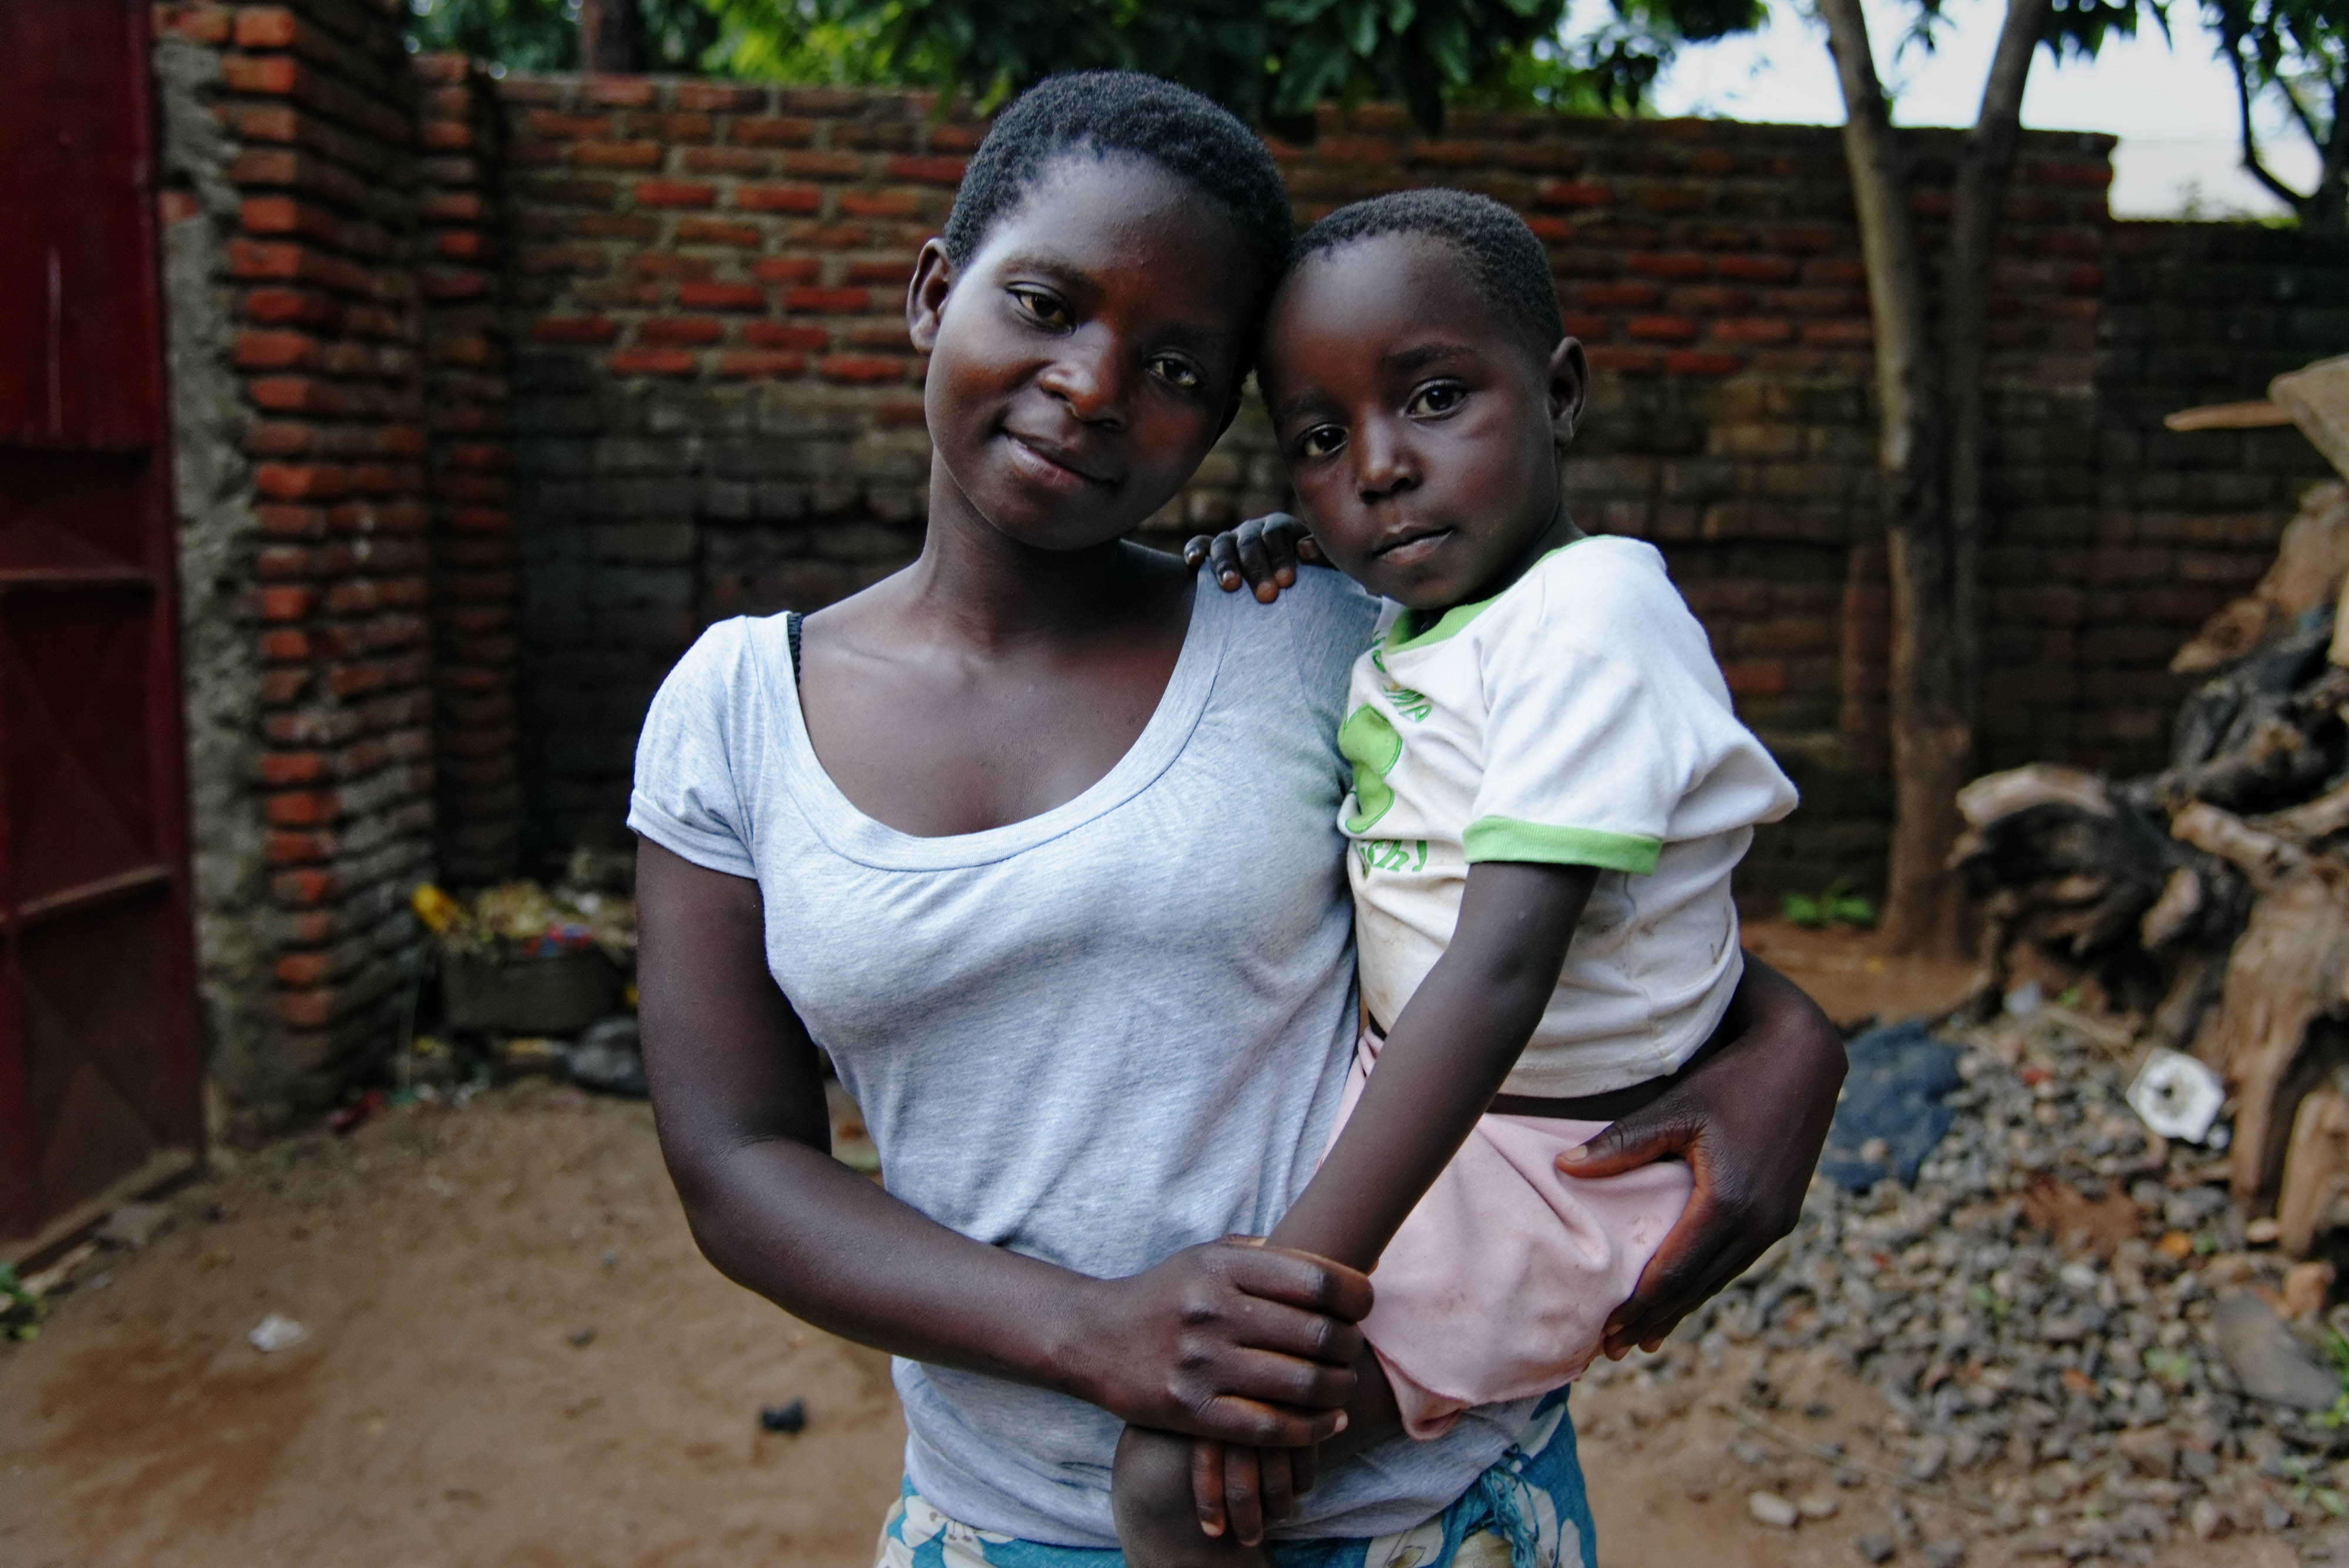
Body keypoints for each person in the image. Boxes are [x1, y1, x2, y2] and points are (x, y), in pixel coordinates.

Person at [628, 72, 1847, 1568]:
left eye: (1178, 368)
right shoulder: (739, 709)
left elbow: (1576, 893)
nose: (1090, 383)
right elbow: (738, 1168)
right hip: (1002, 1518)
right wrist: (1093, 1334)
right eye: (1041, 303)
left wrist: (1789, 1041)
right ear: (931, 295)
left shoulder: (1320, 633)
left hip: (1421, 1513)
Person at [1112, 189, 1803, 1565]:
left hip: (1547, 1165)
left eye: (1432, 398)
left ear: (1557, 393)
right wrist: (1288, 543)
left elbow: (1497, 971)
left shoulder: (1591, 611)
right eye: (1319, 442)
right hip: (1448, 1114)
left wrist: (1300, 1279)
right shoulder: (1446, 617)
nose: (1374, 468)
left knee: (1173, 1474)